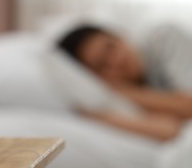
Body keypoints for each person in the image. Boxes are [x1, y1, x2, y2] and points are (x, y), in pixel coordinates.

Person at [58, 25, 192, 141]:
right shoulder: (123, 98)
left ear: (120, 36)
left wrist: (124, 91)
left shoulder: (163, 39)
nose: (116, 61)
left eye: (110, 47)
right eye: (102, 66)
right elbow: (171, 129)